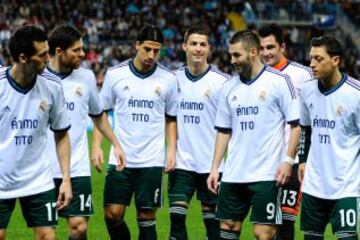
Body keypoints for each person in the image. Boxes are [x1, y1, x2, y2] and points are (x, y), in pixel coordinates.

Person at [207, 30, 301, 240]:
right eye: (231, 55)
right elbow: (223, 131)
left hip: (266, 175)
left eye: (237, 55)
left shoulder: (279, 81)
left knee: (263, 233)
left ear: (252, 52)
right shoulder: (228, 87)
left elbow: (296, 125)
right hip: (233, 174)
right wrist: (215, 168)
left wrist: (287, 160)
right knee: (228, 227)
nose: (233, 60)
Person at [92, 25, 177, 240]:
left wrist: (171, 151)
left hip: (152, 160)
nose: (151, 55)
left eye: (156, 51)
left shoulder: (168, 79)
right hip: (121, 158)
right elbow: (100, 112)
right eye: (147, 49)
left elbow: (171, 118)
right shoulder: (115, 74)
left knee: (146, 216)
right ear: (137, 45)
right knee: (112, 214)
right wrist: (95, 146)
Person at [43, 25, 125, 240]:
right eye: (76, 50)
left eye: (82, 49)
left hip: (77, 168)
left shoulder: (86, 77)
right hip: (42, 169)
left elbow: (97, 115)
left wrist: (115, 144)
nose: (82, 54)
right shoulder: (39, 77)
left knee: (79, 228)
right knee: (45, 233)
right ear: (59, 51)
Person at [0, 26, 72, 240]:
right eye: (42, 55)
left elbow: (61, 134)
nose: (49, 59)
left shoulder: (52, 87)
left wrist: (66, 180)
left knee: (47, 237)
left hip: (37, 179)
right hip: (1, 180)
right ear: (23, 58)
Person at [168, 25, 229, 240]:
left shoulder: (222, 82)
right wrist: (170, 151)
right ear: (184, 46)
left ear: (209, 49)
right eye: (193, 43)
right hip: (181, 162)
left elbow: (228, 126)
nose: (198, 49)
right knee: (176, 218)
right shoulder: (172, 80)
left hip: (211, 165)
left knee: (213, 225)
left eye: (203, 44)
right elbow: (169, 119)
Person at [298, 35, 359, 240]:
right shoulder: (306, 90)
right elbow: (305, 128)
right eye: (311, 58)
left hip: (346, 186)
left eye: (318, 59)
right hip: (313, 185)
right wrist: (303, 160)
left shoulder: (355, 95)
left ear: (335, 60)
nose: (312, 64)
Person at [258, 23, 313, 240]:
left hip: (291, 159)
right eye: (261, 48)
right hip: (264, 161)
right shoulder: (257, 77)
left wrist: (304, 157)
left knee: (287, 221)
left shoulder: (303, 75)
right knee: (266, 225)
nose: (266, 53)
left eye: (270, 47)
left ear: (282, 46)